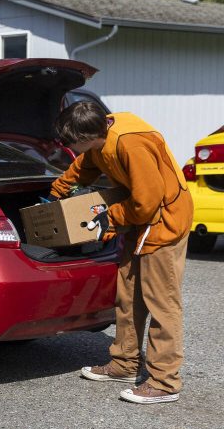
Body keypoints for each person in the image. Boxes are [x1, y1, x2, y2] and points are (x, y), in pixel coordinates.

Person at [50, 102, 193, 405]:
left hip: (163, 222)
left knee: (161, 302)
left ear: (87, 135)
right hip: (140, 222)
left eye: (72, 142)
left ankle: (165, 382)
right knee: (127, 294)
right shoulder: (100, 140)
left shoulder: (131, 144)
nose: (70, 148)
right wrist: (59, 190)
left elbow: (147, 201)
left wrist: (110, 217)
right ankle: (125, 365)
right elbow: (86, 163)